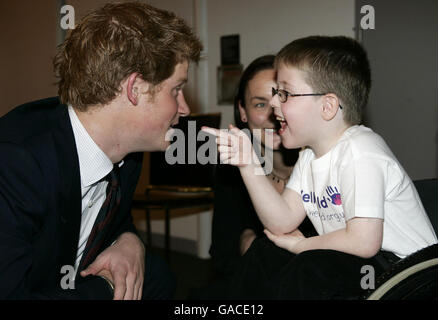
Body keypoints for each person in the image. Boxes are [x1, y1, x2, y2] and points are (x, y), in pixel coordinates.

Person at [202, 36, 437, 299]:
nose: (274, 103)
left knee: (311, 267)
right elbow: (281, 221)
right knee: (265, 251)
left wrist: (304, 245)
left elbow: (363, 241)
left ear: (327, 107)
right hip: (365, 262)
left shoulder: (361, 152)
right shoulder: (309, 157)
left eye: (284, 93)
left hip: (412, 275)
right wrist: (249, 164)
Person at [0, 2, 202, 299]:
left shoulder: (126, 152)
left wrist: (130, 240)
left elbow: (116, 218)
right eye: (176, 90)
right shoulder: (15, 162)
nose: (185, 109)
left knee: (156, 276)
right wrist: (105, 287)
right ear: (134, 88)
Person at [209, 55, 315, 279]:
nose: (274, 114)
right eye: (260, 104)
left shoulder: (322, 163)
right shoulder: (232, 168)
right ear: (243, 112)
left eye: (283, 98)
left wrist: (256, 245)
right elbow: (222, 255)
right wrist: (244, 242)